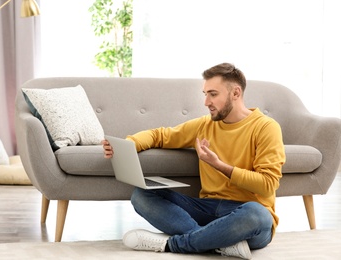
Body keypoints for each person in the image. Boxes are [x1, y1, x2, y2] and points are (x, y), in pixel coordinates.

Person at [101, 63, 285, 259]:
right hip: (207, 209)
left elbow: (268, 184)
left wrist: (219, 165)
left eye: (213, 94)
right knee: (141, 196)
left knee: (257, 215)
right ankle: (215, 241)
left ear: (236, 93)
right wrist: (130, 144)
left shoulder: (266, 127)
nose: (206, 102)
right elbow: (161, 136)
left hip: (247, 216)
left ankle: (173, 244)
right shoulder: (204, 125)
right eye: (205, 94)